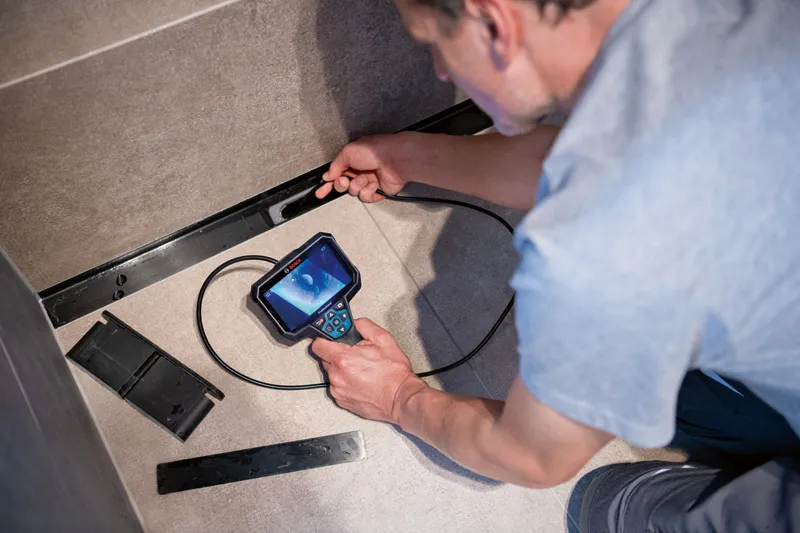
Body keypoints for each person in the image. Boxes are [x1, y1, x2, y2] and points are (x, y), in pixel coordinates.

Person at [311, 0, 800, 530]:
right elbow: (592, 155)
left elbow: (531, 456)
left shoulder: (602, 239)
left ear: (494, 22)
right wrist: (409, 155)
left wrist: (399, 397)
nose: (441, 70)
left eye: (434, 43)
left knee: (608, 503)